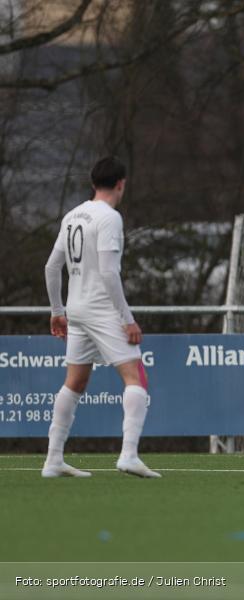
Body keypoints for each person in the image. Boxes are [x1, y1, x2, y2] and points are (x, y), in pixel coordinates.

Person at [43, 156, 159, 478]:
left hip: (77, 309)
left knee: (75, 381)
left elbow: (52, 267)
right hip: (101, 308)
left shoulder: (72, 215)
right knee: (136, 377)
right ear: (121, 183)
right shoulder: (110, 218)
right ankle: (129, 455)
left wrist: (57, 311)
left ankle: (53, 459)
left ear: (93, 184)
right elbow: (109, 273)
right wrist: (127, 319)